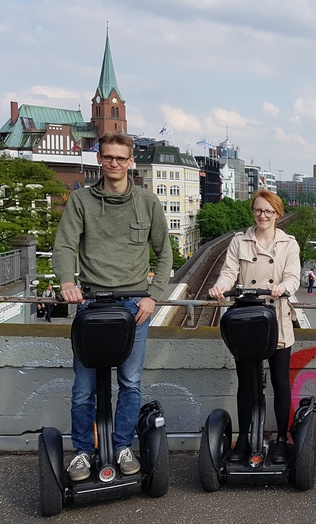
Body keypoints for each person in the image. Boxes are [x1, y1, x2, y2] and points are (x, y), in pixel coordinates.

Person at [53, 132, 172, 482]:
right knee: (82, 387)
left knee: (131, 382)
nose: (114, 164)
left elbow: (164, 253)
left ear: (131, 161)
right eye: (108, 158)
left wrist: (153, 294)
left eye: (121, 158)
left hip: (135, 305)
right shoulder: (81, 201)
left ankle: (122, 446)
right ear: (100, 160)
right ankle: (83, 453)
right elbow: (64, 246)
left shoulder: (148, 202)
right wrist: (66, 281)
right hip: (91, 303)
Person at [209, 189, 301, 464]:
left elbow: (294, 275)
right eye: (258, 210)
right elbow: (229, 272)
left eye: (268, 211)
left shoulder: (289, 244)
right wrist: (220, 287)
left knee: (280, 383)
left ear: (277, 214)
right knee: (246, 385)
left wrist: (284, 287)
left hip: (277, 320)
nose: (263, 216)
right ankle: (245, 438)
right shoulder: (240, 241)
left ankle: (282, 438)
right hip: (248, 319)